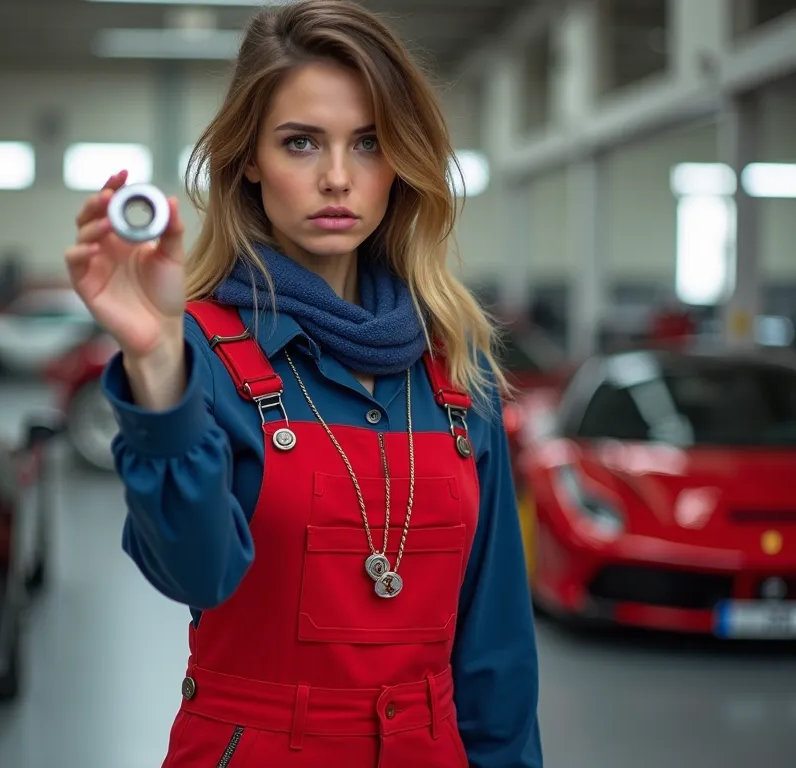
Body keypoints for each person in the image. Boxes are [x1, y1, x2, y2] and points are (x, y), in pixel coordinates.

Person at [65, 1, 542, 766]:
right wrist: (155, 363)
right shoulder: (201, 361)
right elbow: (195, 573)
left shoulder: (456, 370)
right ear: (248, 158)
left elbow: (497, 653)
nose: (336, 178)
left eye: (369, 143)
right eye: (300, 143)